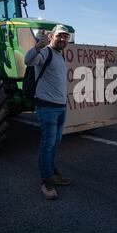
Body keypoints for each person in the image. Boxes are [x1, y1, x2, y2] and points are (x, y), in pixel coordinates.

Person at [24, 25, 72, 200]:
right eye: (60, 36)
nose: (62, 39)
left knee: (54, 142)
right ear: (52, 36)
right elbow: (28, 61)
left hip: (60, 107)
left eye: (65, 37)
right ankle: (46, 181)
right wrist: (37, 46)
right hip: (47, 107)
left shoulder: (60, 55)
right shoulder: (45, 52)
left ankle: (51, 172)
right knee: (47, 144)